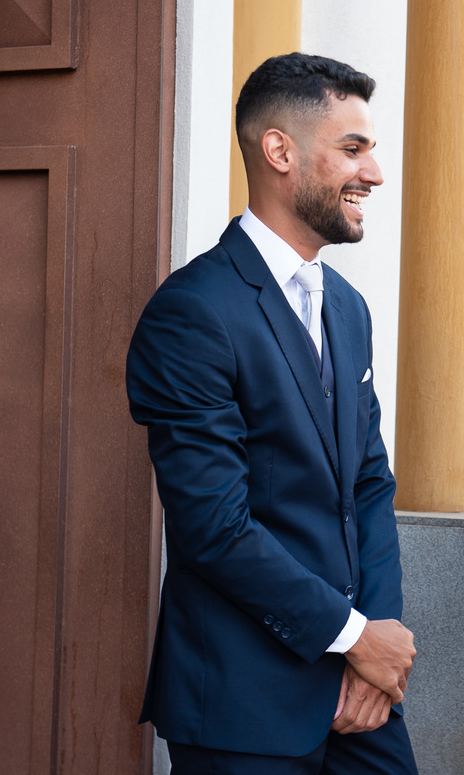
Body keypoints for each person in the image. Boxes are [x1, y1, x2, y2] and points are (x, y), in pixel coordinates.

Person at [127, 53, 419, 775]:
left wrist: (375, 646)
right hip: (241, 702)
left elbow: (370, 486)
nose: (375, 173)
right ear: (280, 151)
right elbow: (213, 527)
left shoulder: (347, 308)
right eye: (353, 149)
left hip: (362, 697)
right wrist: (354, 636)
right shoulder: (192, 312)